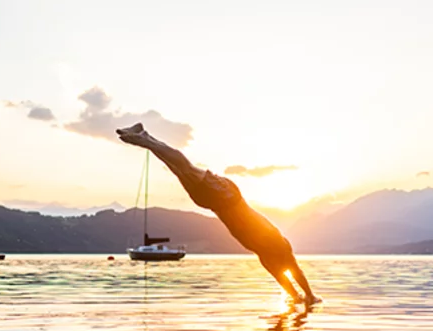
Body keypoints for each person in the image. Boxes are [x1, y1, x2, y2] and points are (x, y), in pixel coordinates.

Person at [116, 123, 318, 303]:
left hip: (215, 202)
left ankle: (145, 138)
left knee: (179, 169)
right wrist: (309, 297)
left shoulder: (266, 255)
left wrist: (301, 296)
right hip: (227, 197)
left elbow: (289, 280)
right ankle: (143, 138)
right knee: (185, 168)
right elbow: (294, 274)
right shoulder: (277, 246)